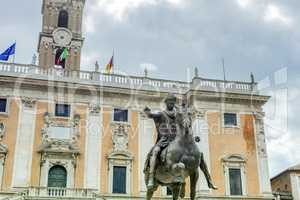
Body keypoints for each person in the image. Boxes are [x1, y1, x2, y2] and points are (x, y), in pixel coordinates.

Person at [143, 93, 178, 189]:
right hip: (164, 140)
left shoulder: (177, 115)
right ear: (166, 103)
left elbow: (186, 126)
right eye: (170, 102)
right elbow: (151, 115)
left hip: (176, 141)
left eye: (173, 102)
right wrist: (147, 112)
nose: (171, 104)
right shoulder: (161, 114)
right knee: (155, 151)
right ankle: (151, 176)